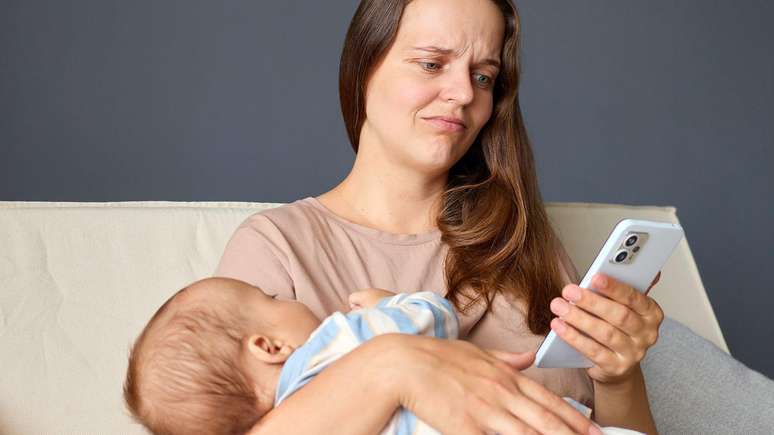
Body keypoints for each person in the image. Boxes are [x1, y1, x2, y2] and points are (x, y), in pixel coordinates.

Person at [216, 0, 664, 433]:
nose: (465, 93)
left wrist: (618, 377)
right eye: (432, 64)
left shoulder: (521, 237)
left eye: (484, 76)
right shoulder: (277, 246)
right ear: (362, 68)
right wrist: (396, 364)